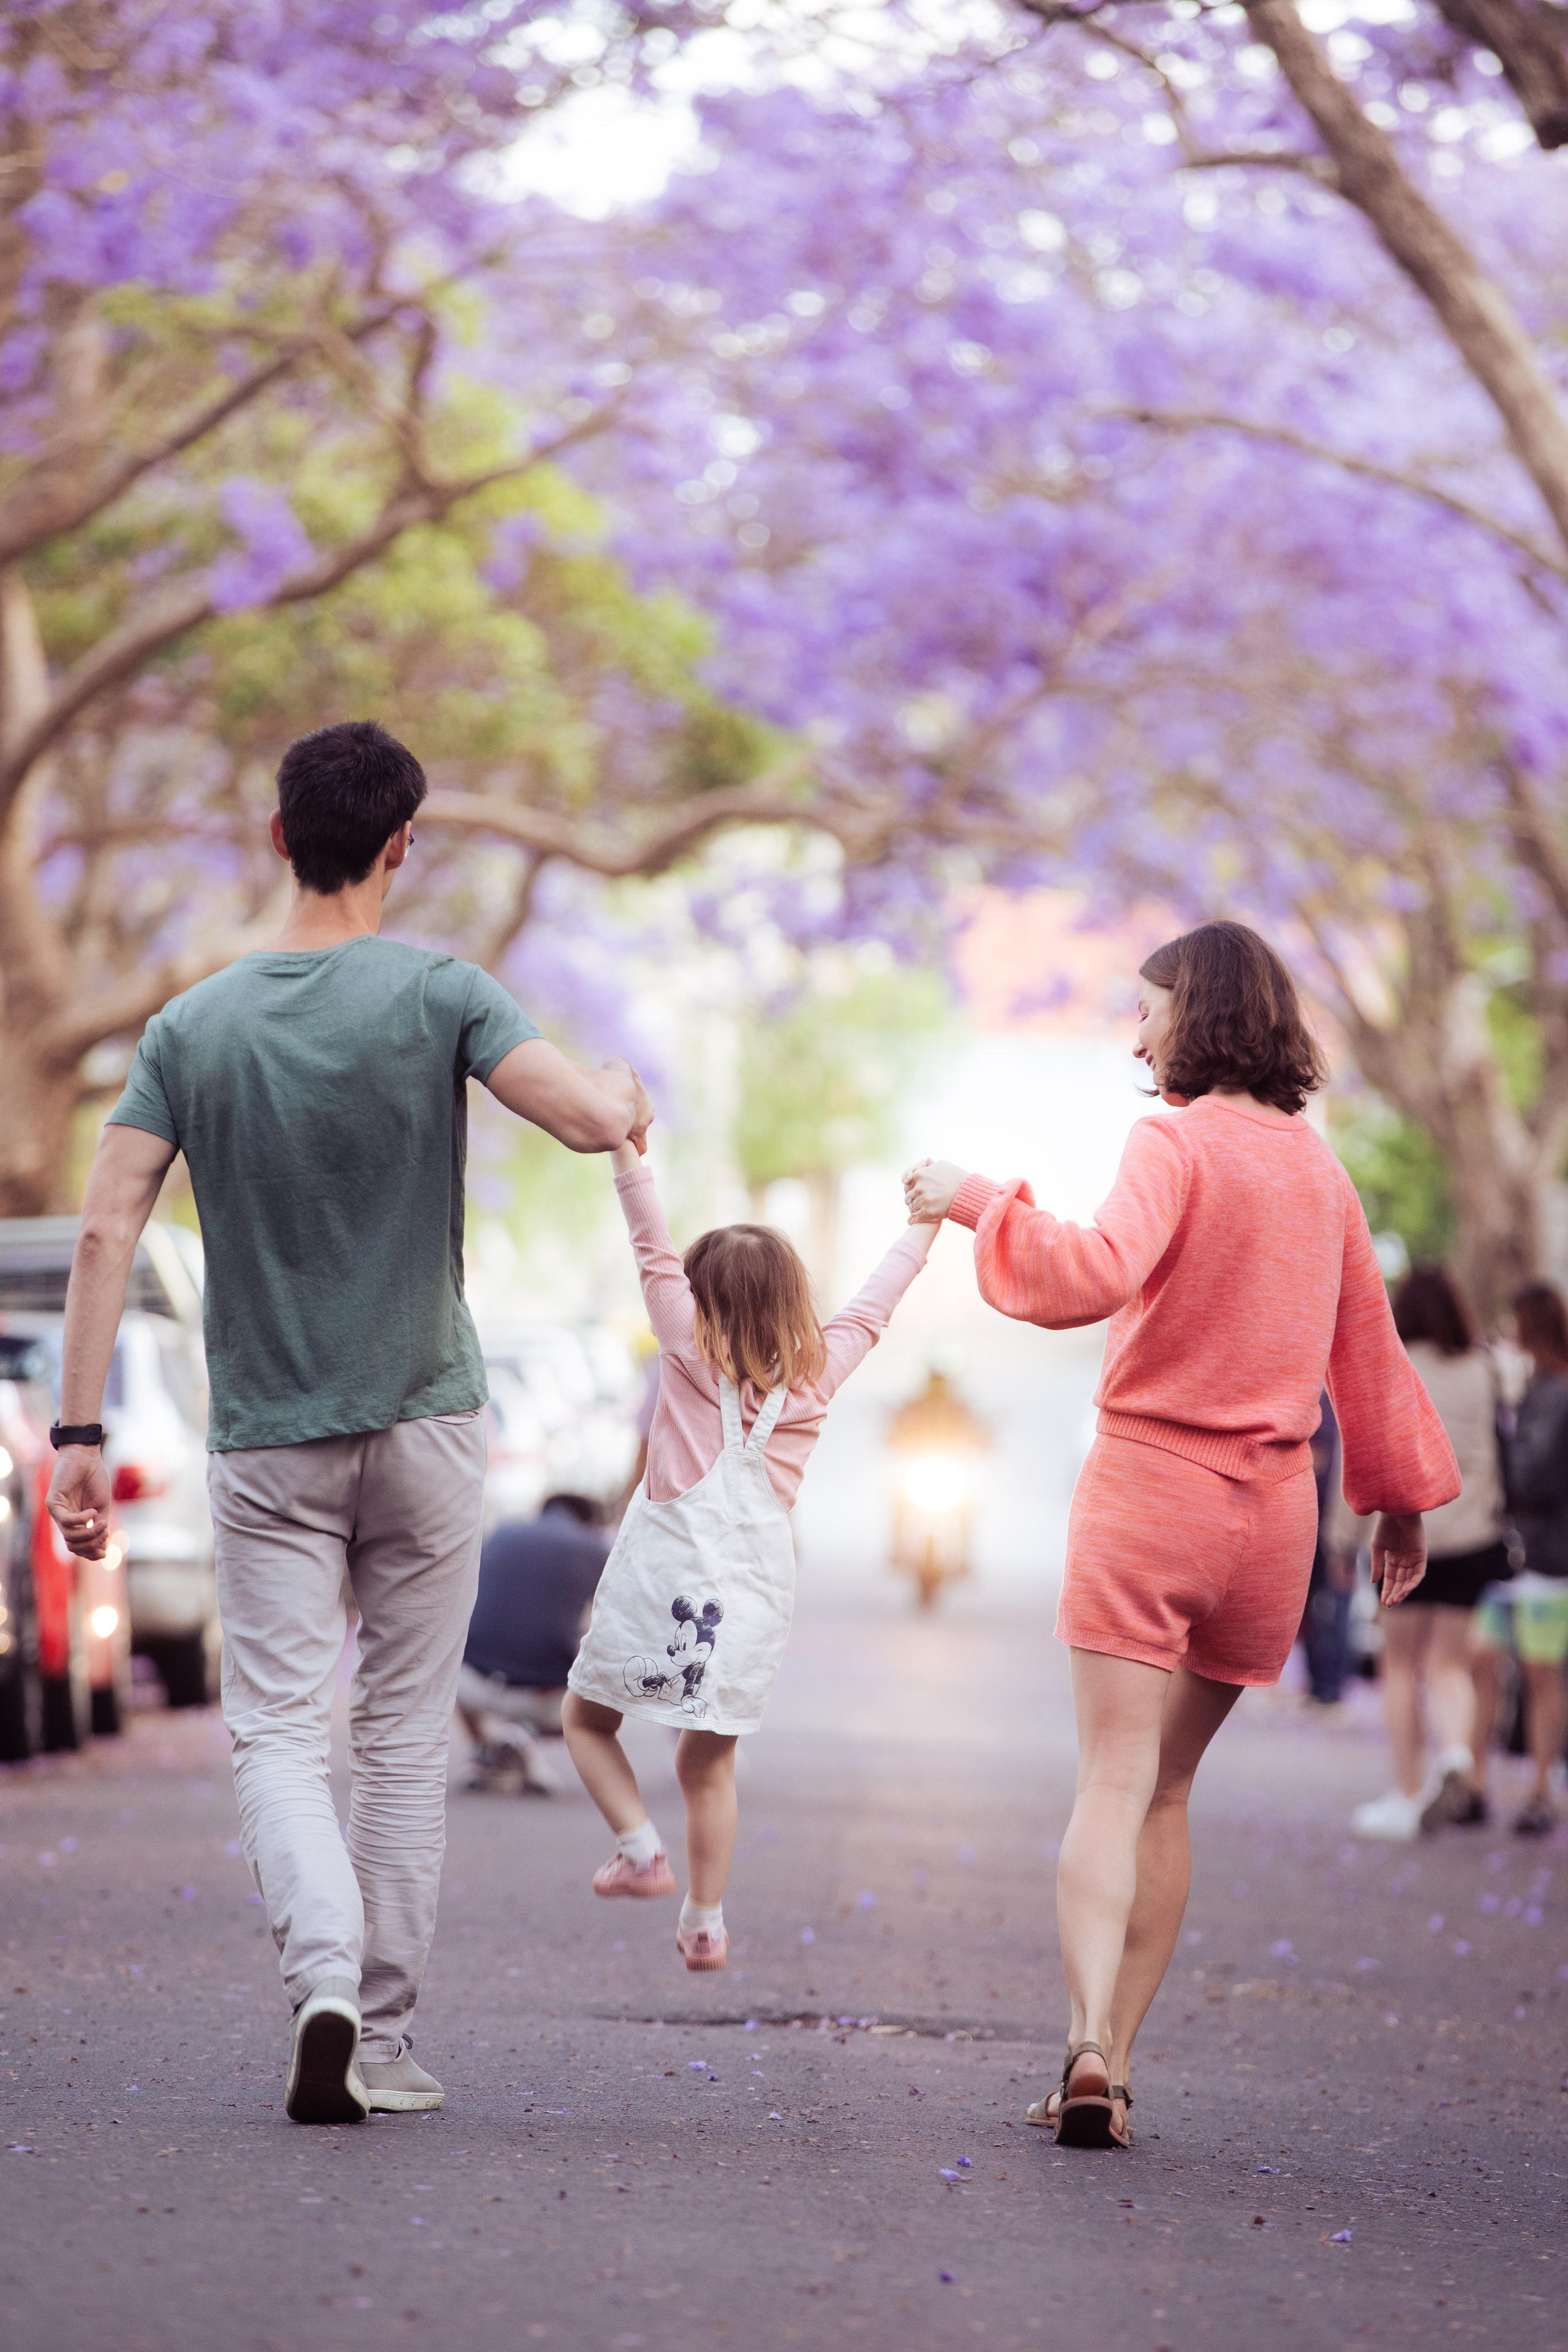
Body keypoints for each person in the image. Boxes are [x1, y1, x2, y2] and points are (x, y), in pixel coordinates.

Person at [45, 720, 651, 2126]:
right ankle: (378, 2036)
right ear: (400, 845)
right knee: (392, 1735)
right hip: (428, 1421)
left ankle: (318, 1977)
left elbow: (100, 1231)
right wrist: (623, 1100)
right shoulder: (442, 990)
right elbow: (576, 1116)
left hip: (266, 1438)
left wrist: (79, 1433)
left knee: (272, 1730)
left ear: (277, 838)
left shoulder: (191, 1027)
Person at [903, 919, 1457, 2150]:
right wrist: (1397, 1500)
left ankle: (1084, 2040)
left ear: (1191, 1014)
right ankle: (1121, 2060)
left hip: (1149, 1494)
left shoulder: (1170, 1139)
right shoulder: (1319, 1174)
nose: (1133, 1030)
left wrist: (975, 1200)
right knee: (1166, 1788)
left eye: (1145, 1006)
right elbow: (1365, 1357)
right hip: (1268, 1525)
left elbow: (1092, 1271)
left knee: (1108, 1776)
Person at [561, 1140, 938, 1972]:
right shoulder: (816, 1379)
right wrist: (923, 1226)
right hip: (751, 1600)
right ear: (794, 1302)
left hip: (660, 1584)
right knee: (708, 1759)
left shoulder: (686, 1354)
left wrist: (630, 1155)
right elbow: (873, 1309)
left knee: (586, 1721)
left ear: (695, 1299)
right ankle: (706, 1922)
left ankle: (639, 1851)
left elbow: (649, 1245)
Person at [1351, 1264, 1508, 1839]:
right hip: (1471, 1537)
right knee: (1449, 1662)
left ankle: (1408, 1792)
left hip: (1401, 1533)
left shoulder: (1394, 1365)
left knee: (1399, 1665)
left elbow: (1367, 1452)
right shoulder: (1483, 1368)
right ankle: (1459, 1757)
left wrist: (1343, 1537)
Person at [1475, 1281, 1568, 1837]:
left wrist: (1504, 1421)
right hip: (1516, 1555)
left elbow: (1531, 1475)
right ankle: (1481, 1780)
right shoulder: (1538, 1389)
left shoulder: (1553, 1392)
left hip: (1546, 1558)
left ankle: (1539, 1789)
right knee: (1483, 1661)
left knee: (1540, 1674)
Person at [457, 1493, 609, 1793]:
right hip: (543, 1698)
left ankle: (489, 1751)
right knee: (603, 1683)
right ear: (591, 1523)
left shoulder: (503, 1534)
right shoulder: (594, 1548)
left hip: (467, 1684)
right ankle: (518, 1740)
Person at [1298, 1393, 1356, 1706]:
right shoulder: (1319, 1403)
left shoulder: (1334, 1406)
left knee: (1334, 1605)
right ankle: (1319, 1683)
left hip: (1333, 1521)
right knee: (1314, 1606)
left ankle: (1330, 1684)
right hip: (1316, 1516)